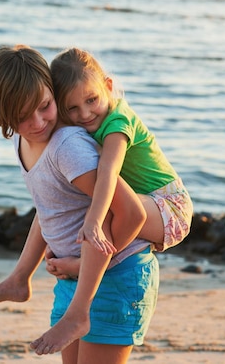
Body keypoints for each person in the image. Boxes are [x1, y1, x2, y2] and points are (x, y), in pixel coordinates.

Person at [0, 45, 159, 363]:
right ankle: (19, 281)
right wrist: (24, 272)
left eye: (44, 106)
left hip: (115, 277)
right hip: (76, 282)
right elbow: (50, 210)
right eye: (21, 117)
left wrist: (84, 266)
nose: (37, 122)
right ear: (0, 118)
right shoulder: (24, 141)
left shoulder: (69, 147)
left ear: (51, 90)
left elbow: (131, 213)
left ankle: (75, 310)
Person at [45, 47, 193, 281]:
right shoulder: (86, 125)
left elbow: (108, 170)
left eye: (91, 100)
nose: (84, 114)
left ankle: (89, 265)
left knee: (103, 212)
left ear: (109, 86)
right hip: (149, 202)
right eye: (72, 108)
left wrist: (93, 221)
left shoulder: (118, 121)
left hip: (171, 208)